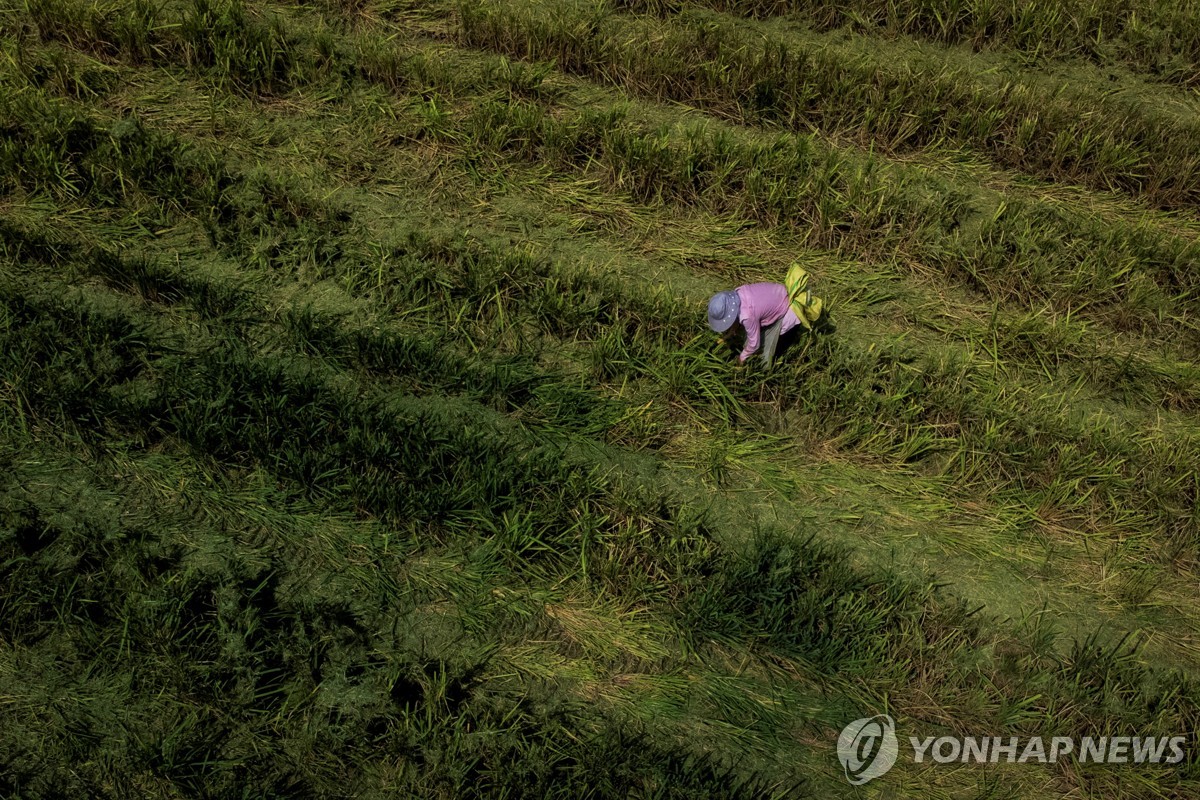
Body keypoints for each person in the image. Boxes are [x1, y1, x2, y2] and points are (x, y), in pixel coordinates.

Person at [707, 265, 828, 366]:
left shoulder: (748, 315)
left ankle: (768, 368)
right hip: (779, 295)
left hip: (788, 311)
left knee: (769, 350)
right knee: (754, 334)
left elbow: (754, 344)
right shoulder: (739, 292)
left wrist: (742, 358)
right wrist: (730, 332)